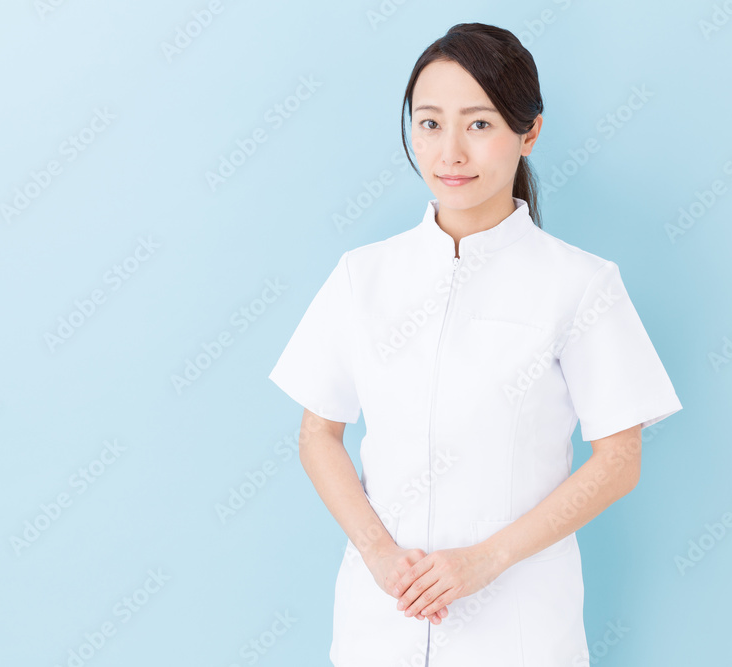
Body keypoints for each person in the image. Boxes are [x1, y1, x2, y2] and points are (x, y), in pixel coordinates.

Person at [267, 22, 682, 667]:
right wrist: (380, 556)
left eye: (480, 124)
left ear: (530, 131)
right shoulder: (363, 276)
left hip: (517, 629)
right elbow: (317, 434)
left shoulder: (581, 284)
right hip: (379, 622)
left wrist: (485, 560)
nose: (450, 152)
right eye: (430, 123)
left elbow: (618, 461)